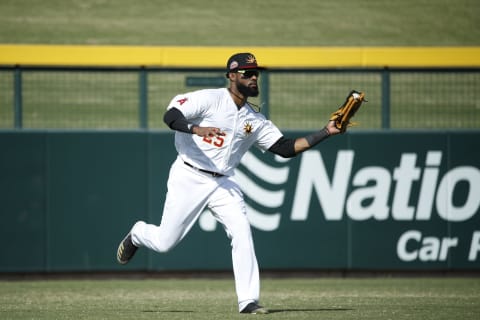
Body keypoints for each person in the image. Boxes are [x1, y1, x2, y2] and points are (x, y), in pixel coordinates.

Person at [117, 52, 342, 314]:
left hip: (223, 183)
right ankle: (138, 233)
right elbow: (171, 115)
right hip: (189, 175)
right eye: (248, 73)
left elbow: (285, 148)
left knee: (242, 232)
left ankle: (248, 301)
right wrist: (195, 129)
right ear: (232, 76)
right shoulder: (210, 99)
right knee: (165, 243)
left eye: (256, 72)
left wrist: (326, 132)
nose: (254, 77)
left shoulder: (254, 119)